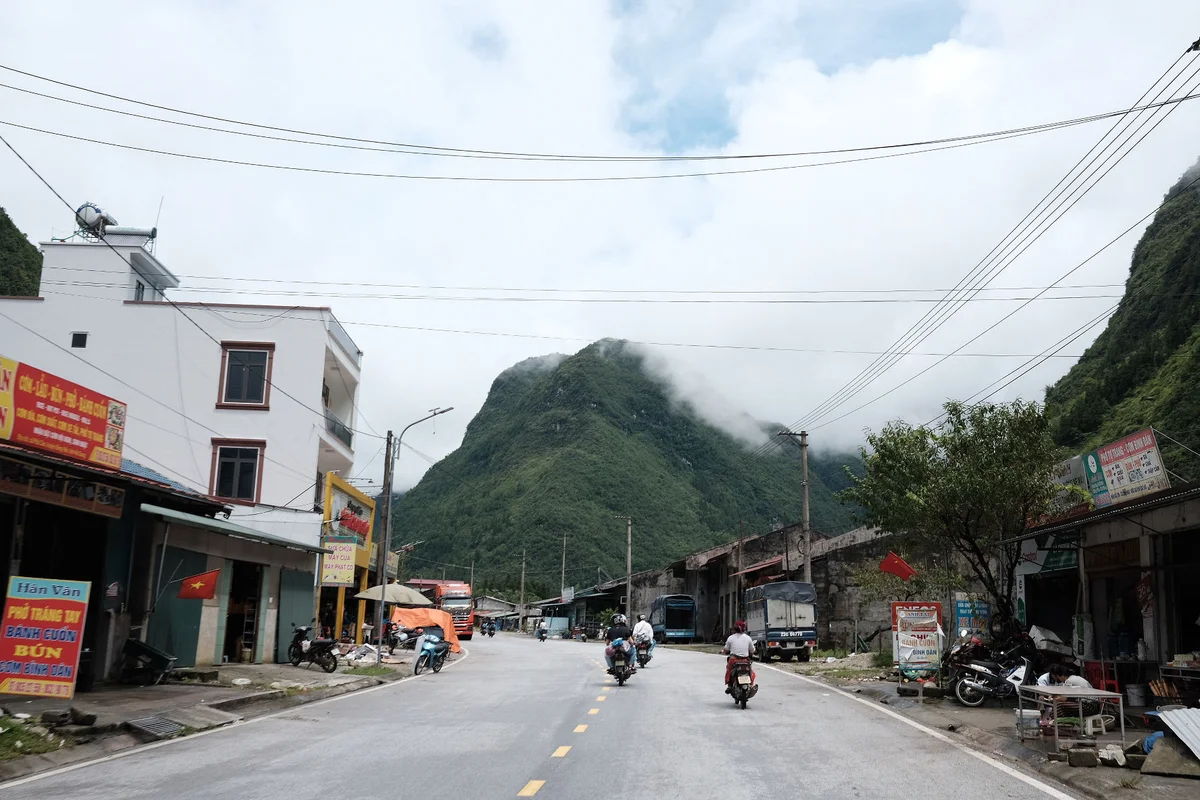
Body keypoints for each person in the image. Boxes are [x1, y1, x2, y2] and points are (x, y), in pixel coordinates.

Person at [722, 620, 756, 692]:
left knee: (729, 670)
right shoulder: (748, 638)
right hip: (745, 661)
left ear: (734, 628)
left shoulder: (730, 638)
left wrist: (723, 652)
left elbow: (726, 649)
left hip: (734, 660)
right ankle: (751, 685)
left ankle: (729, 685)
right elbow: (752, 650)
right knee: (750, 672)